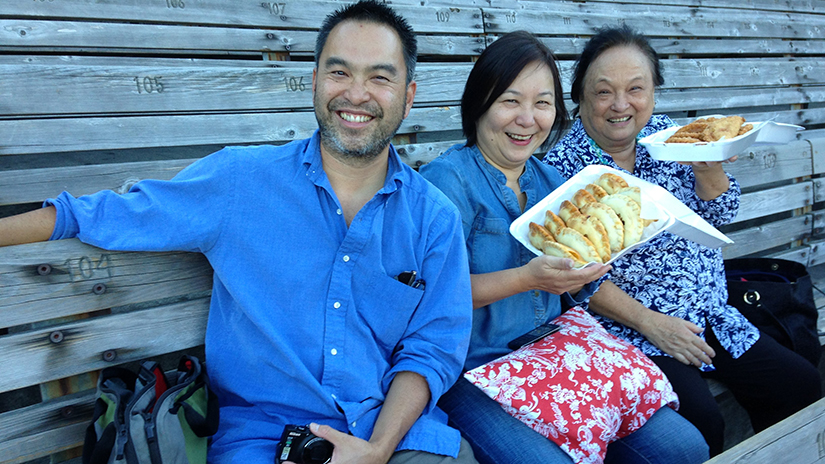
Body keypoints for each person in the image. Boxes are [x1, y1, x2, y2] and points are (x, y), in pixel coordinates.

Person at [0, 2, 479, 463]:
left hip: (397, 437)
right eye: (339, 72)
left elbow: (432, 348)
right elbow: (95, 214)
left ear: (409, 95)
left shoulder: (434, 217)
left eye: (379, 77)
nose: (356, 94)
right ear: (314, 81)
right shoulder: (239, 181)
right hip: (265, 437)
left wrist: (375, 451)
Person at [419, 30, 709, 464]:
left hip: (556, 354)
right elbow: (432, 296)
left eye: (542, 103)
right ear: (479, 103)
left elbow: (572, 291)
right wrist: (526, 278)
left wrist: (587, 274)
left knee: (684, 448)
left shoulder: (555, 185)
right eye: (510, 101)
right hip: (472, 370)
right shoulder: (446, 182)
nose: (527, 119)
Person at [543, 24, 821, 456]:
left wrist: (709, 166)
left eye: (636, 89)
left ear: (653, 93)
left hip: (711, 311)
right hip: (629, 331)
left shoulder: (669, 139)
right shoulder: (559, 170)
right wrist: (650, 323)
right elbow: (573, 275)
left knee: (801, 385)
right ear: (579, 97)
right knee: (701, 424)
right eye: (603, 92)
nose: (621, 105)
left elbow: (720, 216)